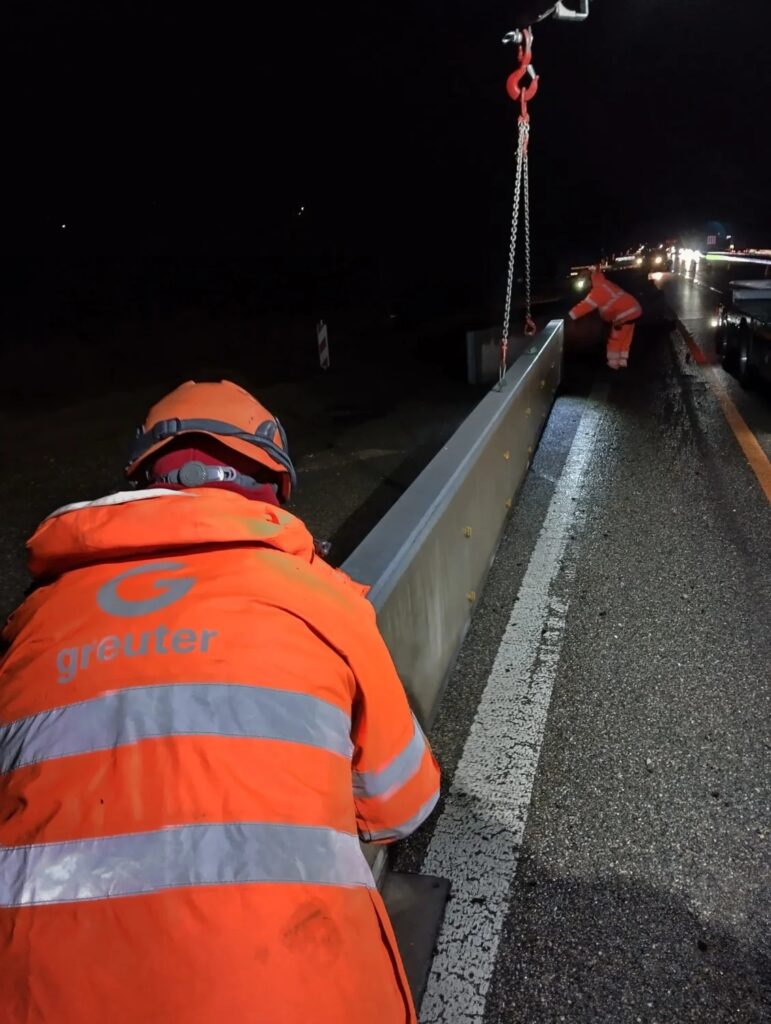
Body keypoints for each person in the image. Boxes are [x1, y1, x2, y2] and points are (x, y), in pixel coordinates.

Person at [0, 379, 440, 1024]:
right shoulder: (320, 598)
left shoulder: (31, 624)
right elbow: (402, 803)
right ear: (273, 485)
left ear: (144, 479)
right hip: (288, 991)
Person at [569, 265, 642, 369]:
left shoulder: (598, 290)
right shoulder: (604, 283)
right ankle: (622, 361)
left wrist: (570, 316)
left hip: (624, 314)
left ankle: (613, 364)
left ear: (589, 280)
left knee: (615, 338)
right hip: (634, 310)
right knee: (625, 337)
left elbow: (585, 306)